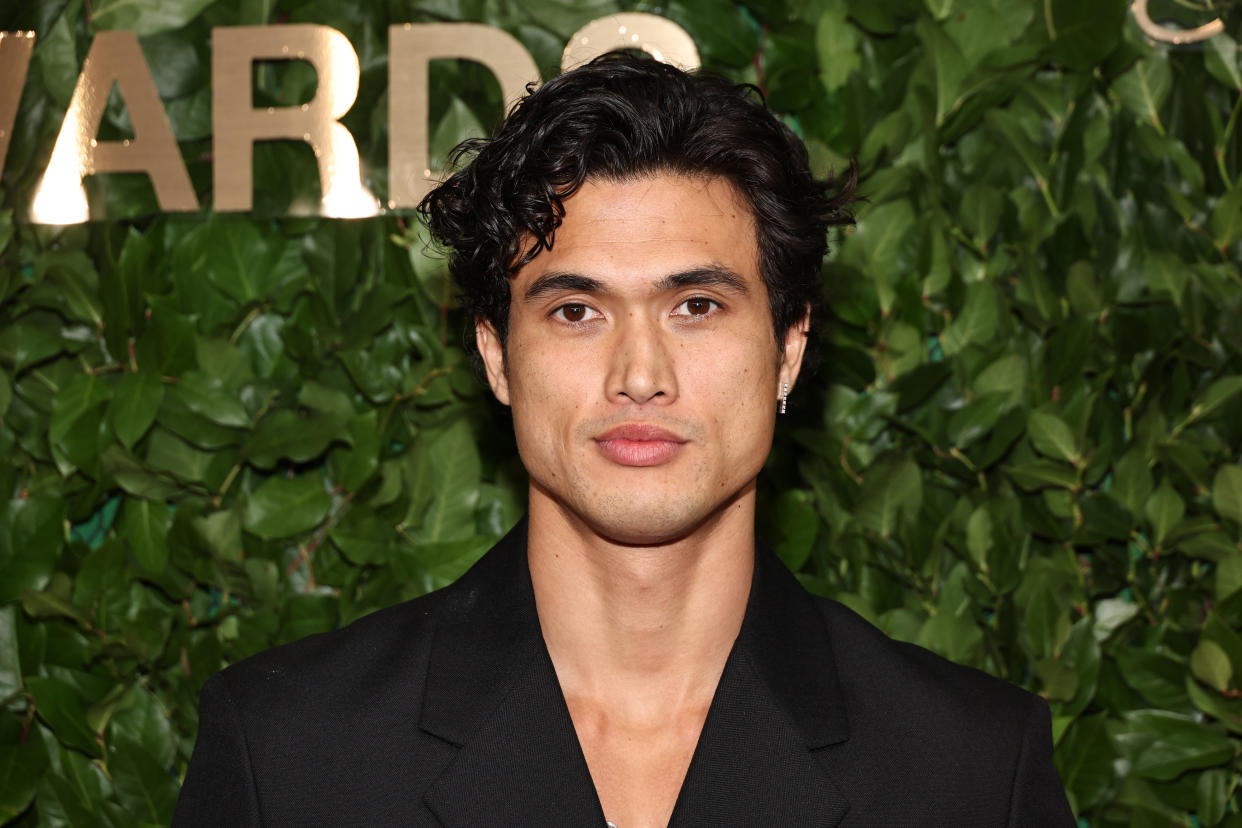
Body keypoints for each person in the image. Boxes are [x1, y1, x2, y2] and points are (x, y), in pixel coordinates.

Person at [174, 54, 1075, 827]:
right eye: (576, 310)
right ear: (496, 357)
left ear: (787, 351)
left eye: (696, 306)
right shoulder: (291, 757)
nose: (639, 373)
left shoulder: (969, 769)